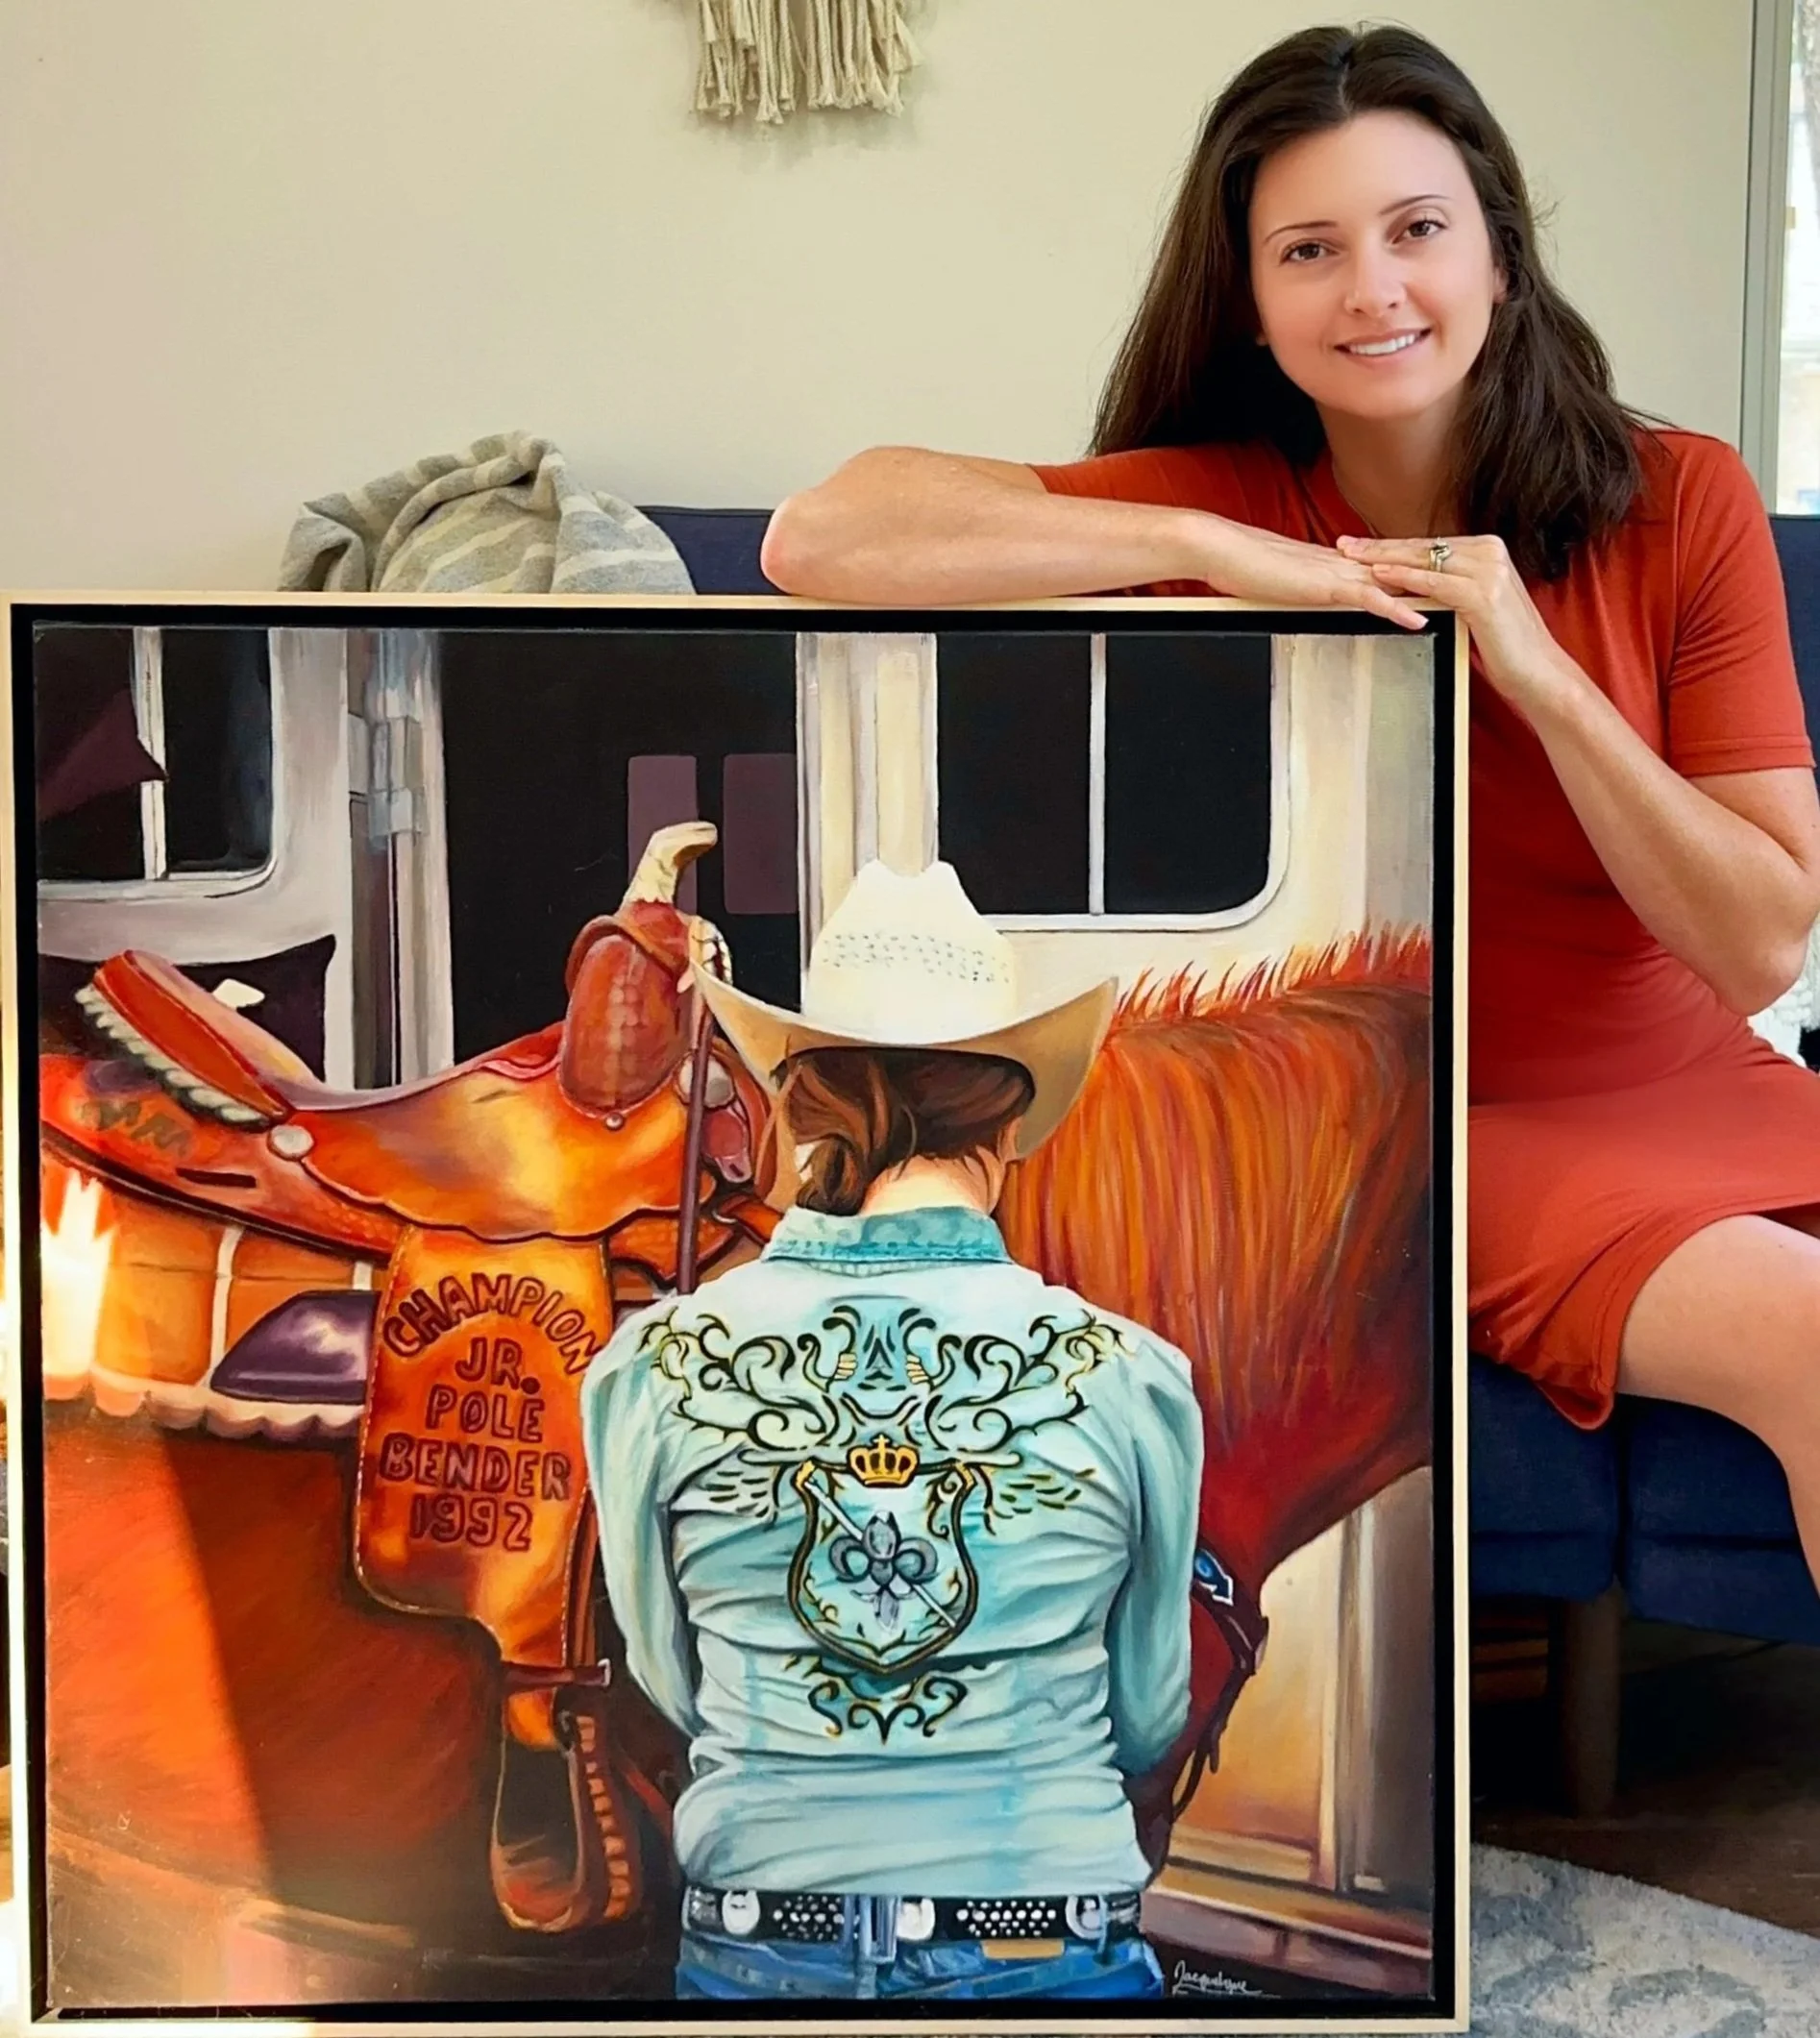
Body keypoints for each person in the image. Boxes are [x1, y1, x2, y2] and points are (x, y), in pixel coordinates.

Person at [761, 21, 1820, 1591]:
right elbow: (819, 536)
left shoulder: (1679, 497)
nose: (1373, 290)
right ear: (1250, 305)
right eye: (1308, 251)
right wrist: (1227, 548)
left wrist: (1528, 666)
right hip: (1425, 1116)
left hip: (1688, 1077)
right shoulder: (1228, 504)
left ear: (1496, 254)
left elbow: (1755, 945)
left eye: (1414, 231)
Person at [578, 858, 1202, 2002]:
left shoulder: (649, 1371)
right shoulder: (1129, 1380)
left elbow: (672, 1680)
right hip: (1045, 1940)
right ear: (1010, 1121)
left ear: (798, 1107)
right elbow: (1148, 1711)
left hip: (759, 1942)